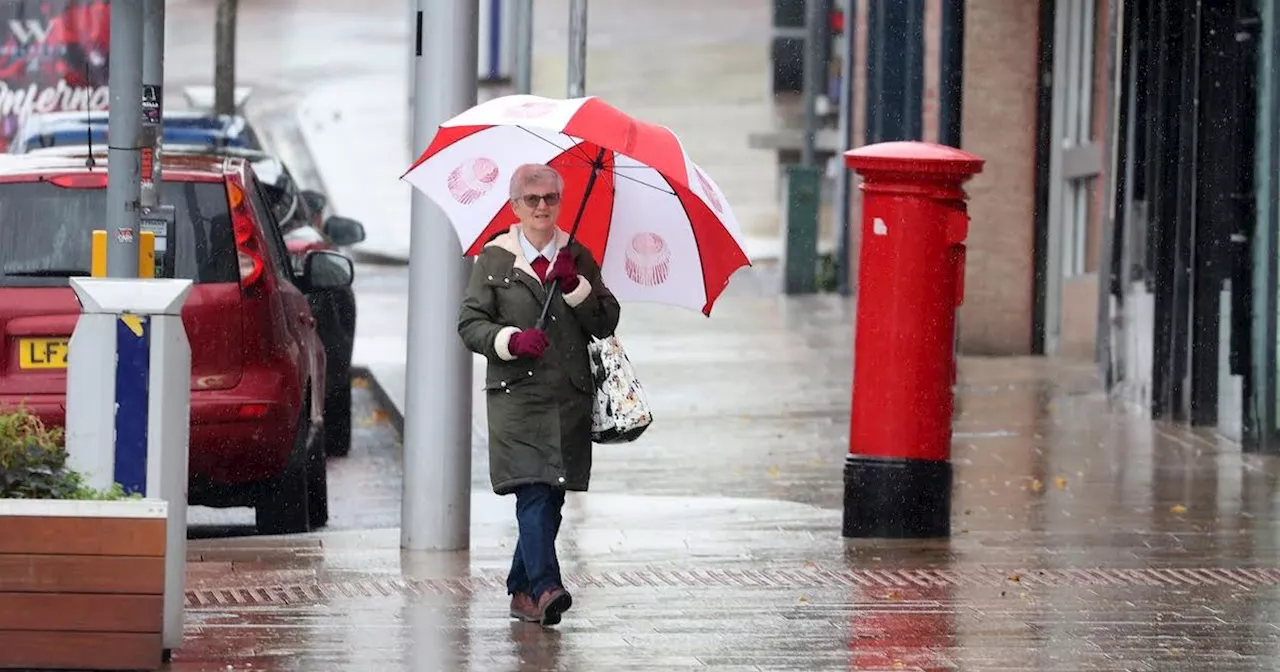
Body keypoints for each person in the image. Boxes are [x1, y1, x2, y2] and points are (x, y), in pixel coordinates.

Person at [457, 163, 621, 627]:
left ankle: (522, 591)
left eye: (550, 198)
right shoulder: (494, 258)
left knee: (551, 498)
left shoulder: (578, 255)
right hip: (515, 397)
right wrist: (510, 339)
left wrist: (575, 287)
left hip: (567, 400)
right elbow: (470, 324)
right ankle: (547, 585)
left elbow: (605, 321)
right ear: (514, 206)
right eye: (532, 199)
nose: (542, 207)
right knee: (531, 491)